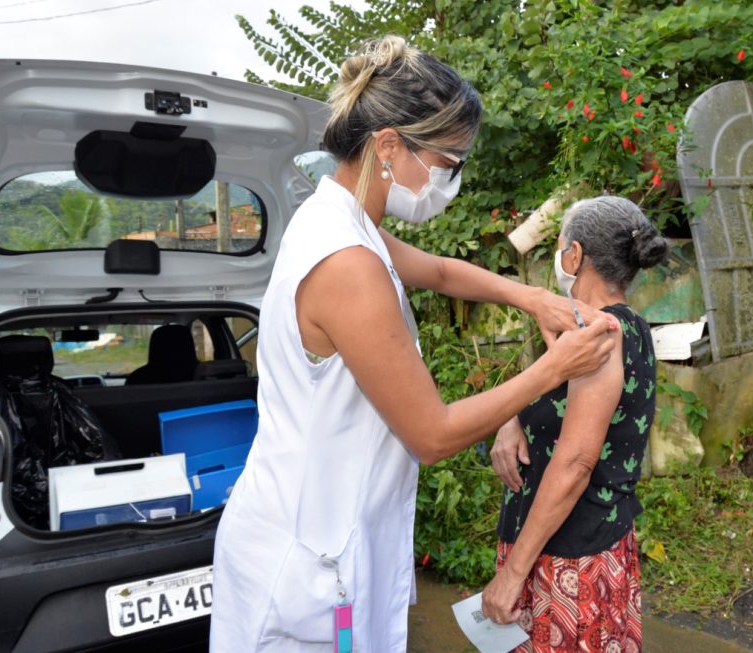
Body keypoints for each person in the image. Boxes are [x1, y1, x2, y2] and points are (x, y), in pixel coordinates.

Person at [210, 36, 618, 653]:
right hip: (309, 563)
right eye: (448, 163)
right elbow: (431, 434)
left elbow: (443, 272)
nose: (451, 180)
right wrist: (552, 369)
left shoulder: (343, 219)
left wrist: (530, 297)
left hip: (331, 537)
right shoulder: (346, 263)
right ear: (390, 146)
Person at [483, 196, 670, 653]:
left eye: (562, 246)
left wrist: (511, 575)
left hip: (570, 562)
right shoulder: (618, 328)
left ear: (575, 256)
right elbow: (552, 394)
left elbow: (576, 463)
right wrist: (513, 418)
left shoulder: (599, 337)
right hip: (583, 546)